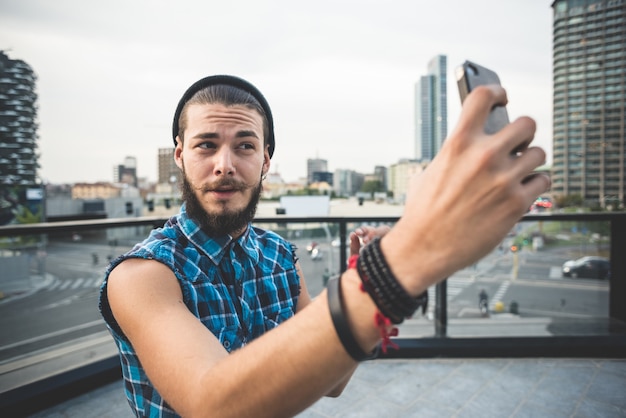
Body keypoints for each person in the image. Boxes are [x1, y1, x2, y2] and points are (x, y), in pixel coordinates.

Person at [99, 74, 550, 417]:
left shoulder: (278, 256)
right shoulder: (141, 276)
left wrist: (366, 268)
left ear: (266, 160)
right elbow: (211, 402)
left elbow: (333, 382)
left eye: (245, 146)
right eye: (205, 145)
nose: (224, 165)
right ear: (179, 154)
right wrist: (408, 256)